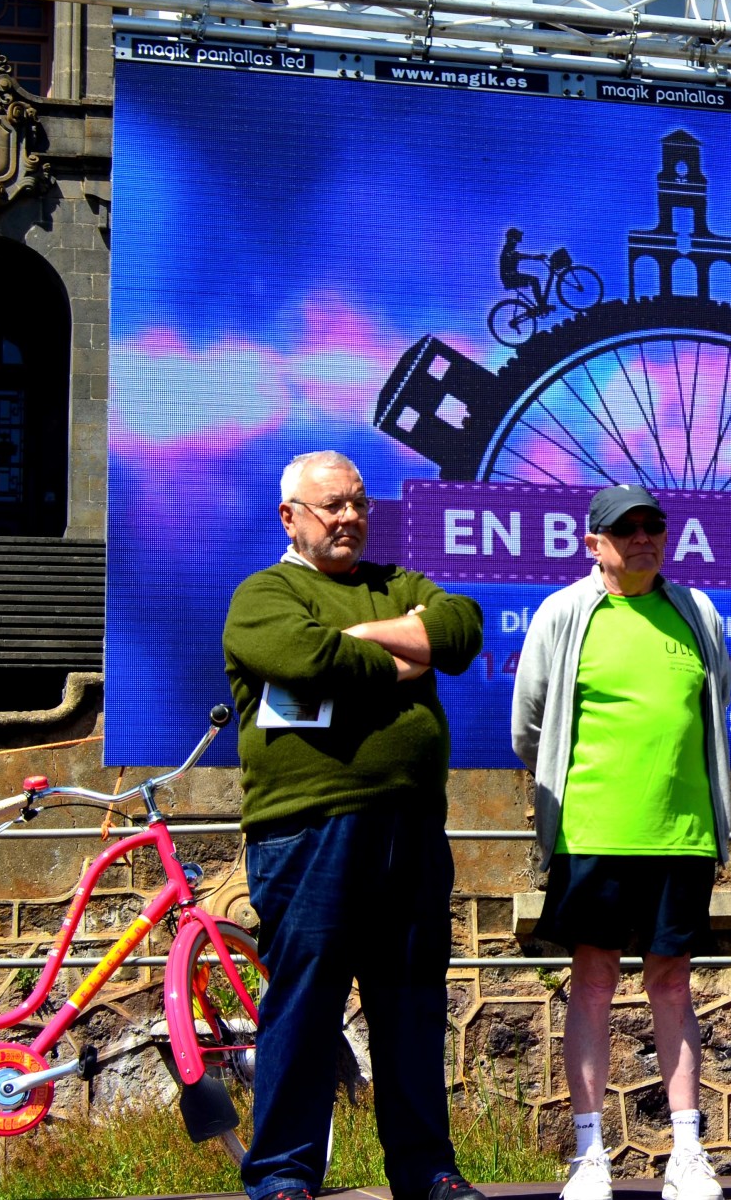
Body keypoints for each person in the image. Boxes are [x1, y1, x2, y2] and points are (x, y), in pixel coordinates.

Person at [221, 450, 487, 1200]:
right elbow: (307, 661)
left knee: (411, 1005)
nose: (349, 519)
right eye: (332, 506)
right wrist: (401, 647)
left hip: (410, 826)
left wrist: (362, 645)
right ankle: (283, 1176)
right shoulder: (264, 595)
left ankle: (426, 1169)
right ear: (290, 517)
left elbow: (462, 630)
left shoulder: (395, 583)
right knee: (305, 1005)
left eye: (359, 505)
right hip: (310, 831)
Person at [512, 484, 731, 1200]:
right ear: (593, 542)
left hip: (683, 834)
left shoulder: (696, 612)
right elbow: (529, 725)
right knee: (595, 982)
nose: (643, 537)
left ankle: (687, 1155)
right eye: (625, 528)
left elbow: (714, 699)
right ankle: (588, 1155)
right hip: (595, 831)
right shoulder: (563, 614)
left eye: (653, 526)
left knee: (672, 984)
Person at [501, 227, 546, 304]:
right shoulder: (509, 247)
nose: (520, 237)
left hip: (510, 277)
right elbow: (517, 256)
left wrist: (534, 257)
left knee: (534, 280)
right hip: (510, 278)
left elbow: (517, 256)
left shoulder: (509, 247)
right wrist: (535, 257)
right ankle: (541, 305)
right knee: (534, 280)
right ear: (513, 237)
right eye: (518, 235)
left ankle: (541, 305)